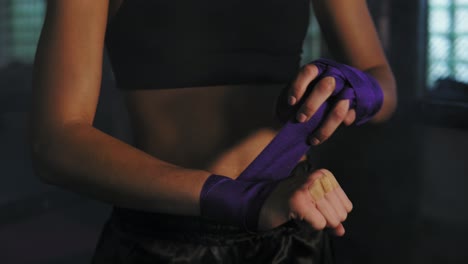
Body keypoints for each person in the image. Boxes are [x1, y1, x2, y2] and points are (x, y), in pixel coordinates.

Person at [30, 0, 397, 263]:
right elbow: (56, 141)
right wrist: (241, 200)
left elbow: (381, 78)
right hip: (167, 240)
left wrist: (358, 88)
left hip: (294, 228)